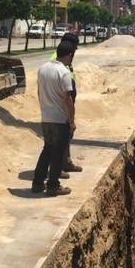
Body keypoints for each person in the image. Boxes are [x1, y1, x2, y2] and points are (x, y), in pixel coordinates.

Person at [31, 40, 75, 196]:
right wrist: (72, 120)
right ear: (69, 55)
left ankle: (37, 183)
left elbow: (38, 92)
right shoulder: (64, 72)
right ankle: (53, 186)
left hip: (46, 118)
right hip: (59, 120)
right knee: (57, 153)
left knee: (47, 150)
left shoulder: (42, 69)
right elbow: (67, 99)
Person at [51, 33, 83, 175]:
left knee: (66, 137)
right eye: (75, 47)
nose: (75, 50)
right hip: (61, 105)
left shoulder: (67, 59)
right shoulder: (58, 60)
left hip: (66, 103)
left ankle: (66, 162)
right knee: (60, 139)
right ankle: (57, 169)